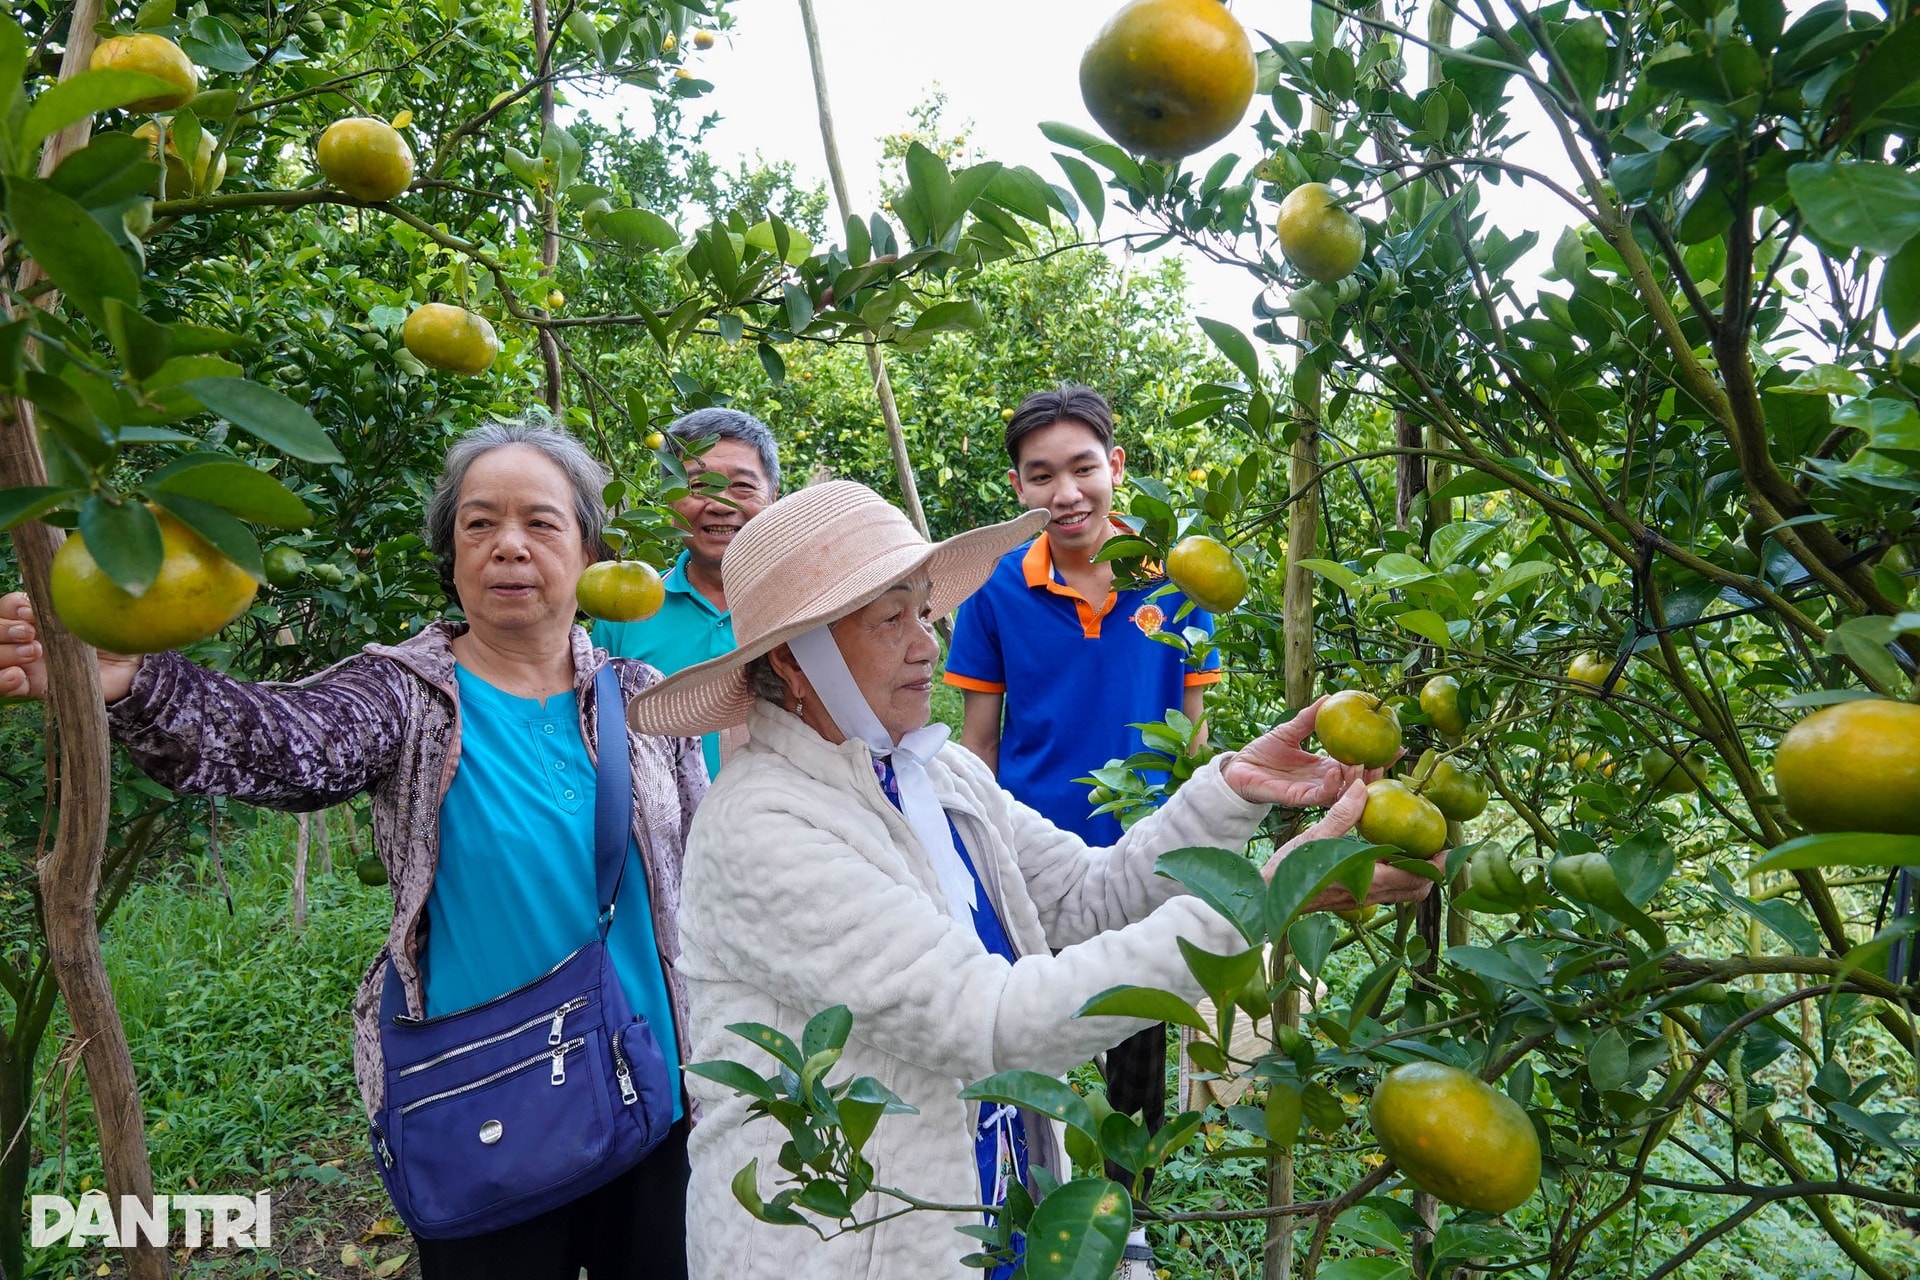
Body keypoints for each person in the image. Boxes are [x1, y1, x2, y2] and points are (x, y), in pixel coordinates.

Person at [623, 481, 1442, 1280]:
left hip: (987, 1212)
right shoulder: (764, 825)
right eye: (890, 618)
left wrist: (1232, 790)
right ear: (793, 661)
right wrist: (1258, 901)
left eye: (922, 610)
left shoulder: (935, 774)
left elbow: (1090, 897)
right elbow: (991, 1021)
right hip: (847, 1243)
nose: (926, 643)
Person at [0, 417, 705, 1280]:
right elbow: (283, 739)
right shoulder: (407, 694)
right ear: (451, 553)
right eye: (479, 524)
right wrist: (134, 682)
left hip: (652, 1089)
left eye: (540, 522)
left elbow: (705, 880)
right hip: (486, 1103)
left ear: (588, 549)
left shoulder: (644, 700)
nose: (508, 546)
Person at [942, 384, 1216, 1264]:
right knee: (1033, 1037)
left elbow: (1191, 733)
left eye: (1083, 468)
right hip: (1034, 865)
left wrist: (1190, 843)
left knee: (1135, 1040)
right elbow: (979, 742)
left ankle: (1122, 1217)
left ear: (1116, 467)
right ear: (1017, 486)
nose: (1065, 493)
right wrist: (971, 859)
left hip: (1142, 856)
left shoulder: (1177, 576)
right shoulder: (997, 588)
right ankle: (1027, 1211)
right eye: (1041, 475)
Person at [597, 407, 780, 779]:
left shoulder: (810, 605)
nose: (721, 504)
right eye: (698, 486)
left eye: (743, 486)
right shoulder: (626, 607)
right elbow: (596, 731)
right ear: (669, 500)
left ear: (773, 497)